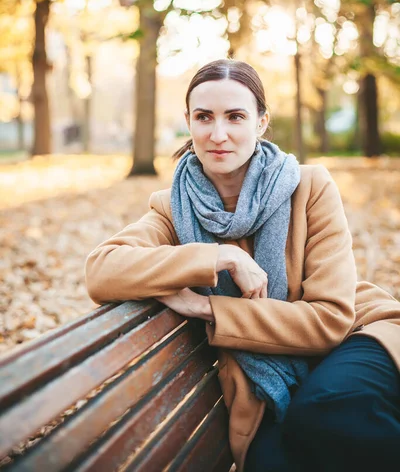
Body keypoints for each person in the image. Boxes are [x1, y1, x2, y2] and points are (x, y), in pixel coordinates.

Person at [85, 59, 400, 472]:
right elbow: (102, 270)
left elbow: (329, 321)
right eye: (204, 117)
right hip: (262, 371)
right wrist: (219, 256)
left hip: (355, 337)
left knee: (327, 410)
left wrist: (210, 308)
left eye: (235, 116)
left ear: (261, 122)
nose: (218, 134)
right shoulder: (172, 207)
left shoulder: (310, 186)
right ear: (189, 122)